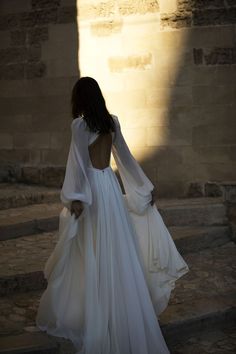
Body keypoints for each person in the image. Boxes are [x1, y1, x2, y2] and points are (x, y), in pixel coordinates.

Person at [36, 77, 189, 354]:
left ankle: (100, 313)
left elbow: (78, 164)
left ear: (79, 98)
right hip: (109, 186)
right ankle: (115, 307)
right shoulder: (111, 121)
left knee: (92, 249)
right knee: (116, 247)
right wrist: (144, 187)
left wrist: (75, 197)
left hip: (93, 190)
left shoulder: (80, 125)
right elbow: (126, 159)